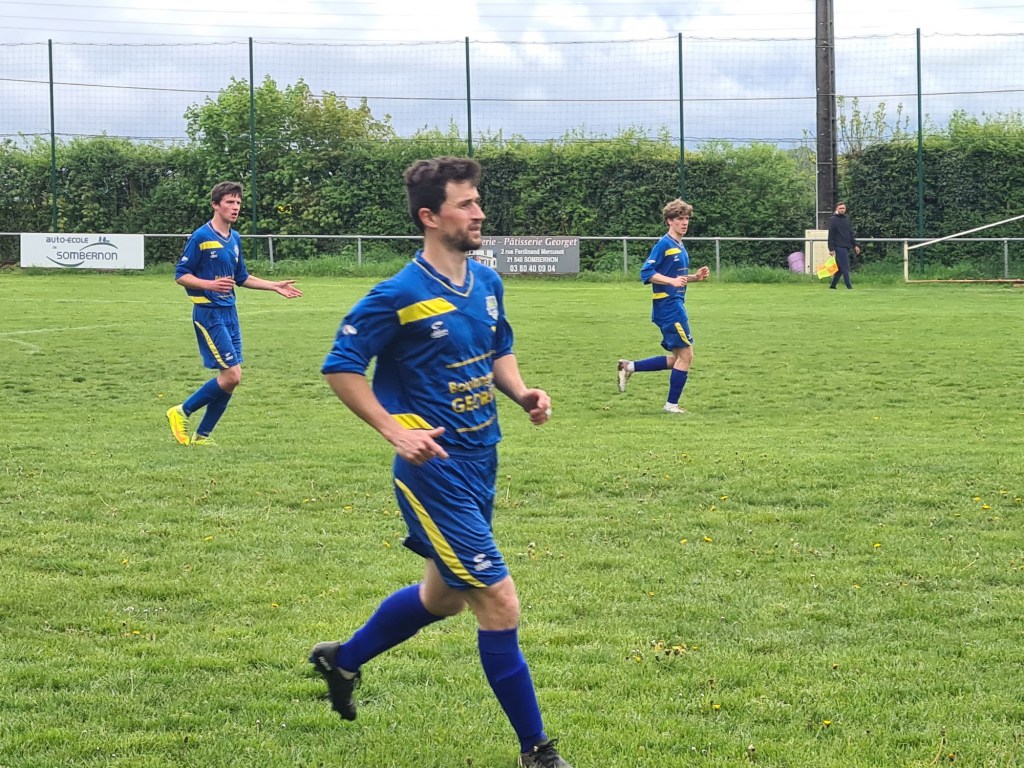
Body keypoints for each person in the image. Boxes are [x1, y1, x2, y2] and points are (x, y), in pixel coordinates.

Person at [310, 157, 571, 768]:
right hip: (433, 471)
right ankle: (536, 751)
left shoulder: (487, 283)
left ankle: (342, 660)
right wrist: (393, 430)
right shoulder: (398, 294)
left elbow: (498, 348)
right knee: (499, 601)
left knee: (444, 597)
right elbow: (341, 367)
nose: (480, 213)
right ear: (430, 216)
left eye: (478, 201)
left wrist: (522, 392)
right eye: (466, 204)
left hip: (483, 460)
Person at [166, 181, 302, 446]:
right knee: (232, 375)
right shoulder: (201, 236)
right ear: (215, 205)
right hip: (208, 313)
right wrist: (209, 285)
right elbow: (181, 275)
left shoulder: (235, 238)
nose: (235, 207)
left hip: (230, 312)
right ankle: (181, 411)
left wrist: (274, 286)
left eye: (238, 202)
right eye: (229, 202)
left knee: (231, 379)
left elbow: (242, 277)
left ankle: (202, 436)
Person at [617, 198, 709, 413]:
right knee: (686, 356)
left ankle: (628, 366)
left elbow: (675, 277)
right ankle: (671, 405)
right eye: (679, 219)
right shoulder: (664, 244)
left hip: (674, 305)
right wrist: (671, 282)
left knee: (678, 359)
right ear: (669, 221)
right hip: (669, 307)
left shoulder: (679, 245)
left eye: (686, 219)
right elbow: (646, 273)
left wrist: (694, 277)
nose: (684, 223)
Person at [827, 201, 860, 290]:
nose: (842, 210)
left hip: (846, 246)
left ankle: (833, 286)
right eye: (840, 208)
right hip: (839, 246)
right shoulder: (833, 220)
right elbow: (831, 235)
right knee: (845, 266)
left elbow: (850, 233)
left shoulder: (846, 219)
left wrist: (855, 245)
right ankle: (849, 286)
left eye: (843, 208)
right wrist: (831, 248)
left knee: (840, 268)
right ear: (837, 209)